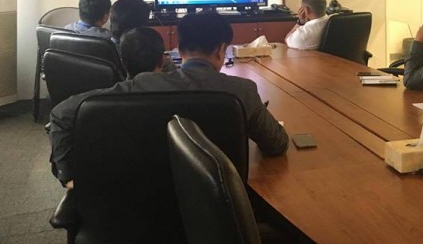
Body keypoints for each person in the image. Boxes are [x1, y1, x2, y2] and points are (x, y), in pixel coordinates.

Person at [49, 10, 288, 188]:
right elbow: (276, 145)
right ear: (220, 50)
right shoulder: (242, 91)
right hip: (220, 204)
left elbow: (61, 113)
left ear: (178, 49)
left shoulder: (140, 86)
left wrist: (68, 175)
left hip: (142, 199)